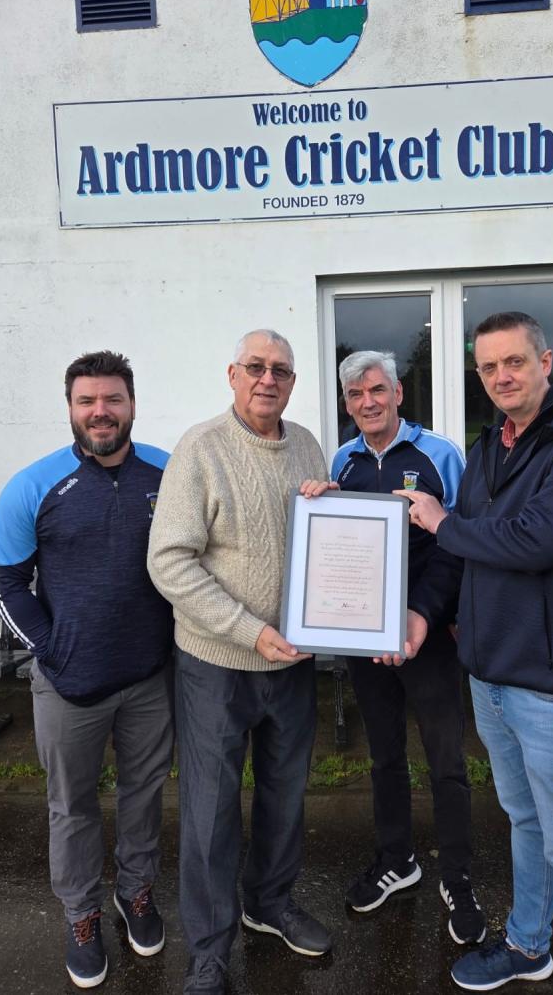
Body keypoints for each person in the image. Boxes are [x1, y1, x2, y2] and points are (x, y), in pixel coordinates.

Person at [398, 312, 553, 995]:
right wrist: (427, 611)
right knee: (526, 821)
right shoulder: (491, 446)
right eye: (488, 366)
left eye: (515, 361)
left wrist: (445, 522)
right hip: (492, 674)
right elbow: (468, 549)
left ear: (545, 362)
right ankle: (529, 946)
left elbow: (539, 539)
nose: (502, 376)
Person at [147, 329, 335, 995]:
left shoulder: (307, 444)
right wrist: (249, 631)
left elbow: (320, 541)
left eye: (280, 370)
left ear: (292, 382)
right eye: (255, 367)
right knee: (210, 809)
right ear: (232, 375)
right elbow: (169, 561)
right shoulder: (200, 448)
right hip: (217, 664)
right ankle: (208, 949)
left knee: (286, 794)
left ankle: (270, 903)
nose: (267, 379)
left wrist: (332, 510)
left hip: (293, 663)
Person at [0, 351, 175, 989]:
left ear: (131, 404)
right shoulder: (33, 485)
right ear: (70, 408)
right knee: (72, 806)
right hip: (68, 685)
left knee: (144, 794)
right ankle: (81, 914)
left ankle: (136, 892)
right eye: (87, 401)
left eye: (112, 399)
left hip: (149, 678)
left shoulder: (168, 473)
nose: (101, 412)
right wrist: (51, 648)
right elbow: (5, 582)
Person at [331, 351, 485, 945]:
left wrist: (425, 614)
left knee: (446, 758)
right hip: (365, 638)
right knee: (384, 755)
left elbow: (458, 542)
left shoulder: (440, 454)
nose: (367, 402)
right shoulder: (342, 461)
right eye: (355, 394)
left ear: (398, 392)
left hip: (430, 633)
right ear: (347, 403)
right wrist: (319, 500)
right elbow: (338, 543)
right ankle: (397, 860)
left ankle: (458, 877)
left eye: (377, 390)